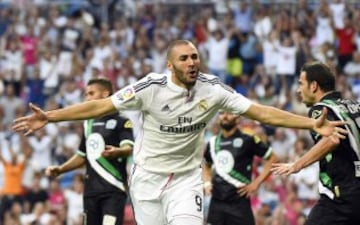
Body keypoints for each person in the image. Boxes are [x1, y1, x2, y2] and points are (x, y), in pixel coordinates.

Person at [13, 40, 346, 225]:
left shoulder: (213, 89)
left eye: (196, 57)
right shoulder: (148, 88)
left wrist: (310, 123)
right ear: (170, 65)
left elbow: (261, 112)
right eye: (185, 58)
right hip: (145, 180)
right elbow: (100, 107)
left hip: (186, 179)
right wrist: (51, 117)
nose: (192, 62)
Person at [271, 61, 360, 225]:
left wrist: (297, 164)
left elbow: (331, 140)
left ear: (313, 86)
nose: (298, 90)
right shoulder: (354, 105)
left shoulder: (320, 110)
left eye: (301, 83)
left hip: (340, 196)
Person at [45, 78, 134, 225]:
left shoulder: (122, 121)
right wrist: (61, 169)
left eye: (91, 93)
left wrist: (118, 152)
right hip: (91, 192)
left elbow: (129, 148)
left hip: (113, 189)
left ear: (105, 94)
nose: (87, 98)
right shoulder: (88, 123)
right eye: (86, 94)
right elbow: (82, 155)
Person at [203, 111, 278, 225]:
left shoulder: (248, 140)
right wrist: (207, 183)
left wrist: (256, 183)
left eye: (229, 113)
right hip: (217, 203)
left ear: (238, 118)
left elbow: (273, 158)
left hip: (239, 202)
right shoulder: (212, 143)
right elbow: (206, 165)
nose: (225, 116)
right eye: (222, 113)